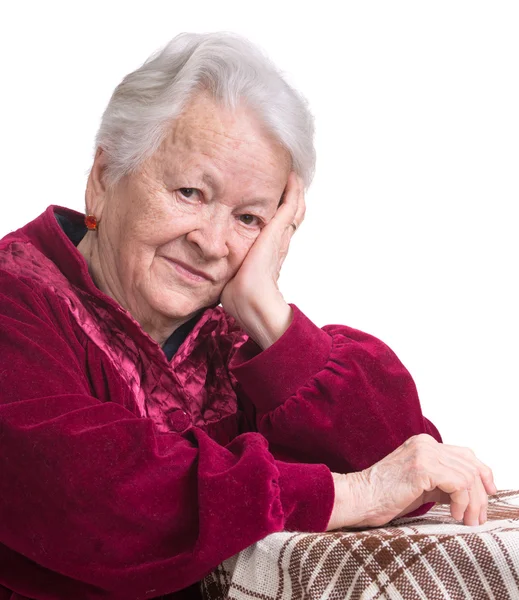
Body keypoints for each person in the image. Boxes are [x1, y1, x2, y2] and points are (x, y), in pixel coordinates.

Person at [0, 32, 496, 600]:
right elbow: (96, 496)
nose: (212, 244)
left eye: (249, 219)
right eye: (189, 192)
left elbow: (403, 463)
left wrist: (268, 312)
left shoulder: (229, 336)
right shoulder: (15, 304)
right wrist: (349, 494)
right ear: (104, 177)